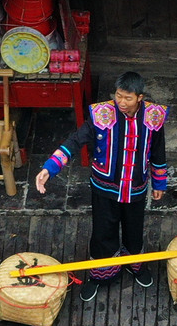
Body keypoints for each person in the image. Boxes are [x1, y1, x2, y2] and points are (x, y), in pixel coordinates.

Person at [34, 71, 168, 302]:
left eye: (128, 98)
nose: (122, 102)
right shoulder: (101, 114)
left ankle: (135, 266)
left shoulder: (154, 117)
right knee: (103, 232)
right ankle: (100, 276)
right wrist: (49, 168)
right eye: (118, 96)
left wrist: (159, 182)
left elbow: (158, 151)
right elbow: (75, 141)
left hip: (136, 188)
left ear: (140, 97)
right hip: (104, 188)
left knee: (134, 230)